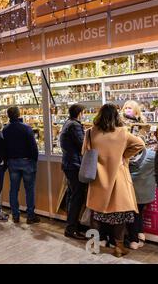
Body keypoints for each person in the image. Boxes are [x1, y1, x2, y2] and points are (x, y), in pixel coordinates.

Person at [84, 104, 144, 258]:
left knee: (96, 213)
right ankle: (118, 247)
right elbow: (140, 144)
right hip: (117, 179)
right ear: (116, 116)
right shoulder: (122, 132)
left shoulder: (90, 132)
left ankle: (94, 245)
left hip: (97, 178)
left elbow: (85, 152)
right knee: (119, 214)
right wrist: (124, 156)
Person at [1, 106, 40, 225]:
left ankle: (16, 215)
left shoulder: (5, 129)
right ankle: (30, 216)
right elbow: (33, 147)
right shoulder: (27, 128)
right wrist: (34, 159)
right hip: (27, 162)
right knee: (29, 190)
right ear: (19, 114)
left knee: (14, 189)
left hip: (13, 162)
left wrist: (7, 160)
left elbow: (4, 148)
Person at [59, 104, 87, 240]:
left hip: (69, 163)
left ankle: (72, 224)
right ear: (80, 113)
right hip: (74, 164)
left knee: (72, 195)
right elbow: (83, 145)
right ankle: (71, 228)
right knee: (77, 196)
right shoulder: (75, 125)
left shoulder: (67, 123)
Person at [127, 145, 156, 250]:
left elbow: (134, 166)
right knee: (138, 213)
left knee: (134, 214)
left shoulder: (148, 154)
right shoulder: (155, 156)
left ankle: (134, 239)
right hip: (146, 192)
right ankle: (140, 235)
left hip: (135, 190)